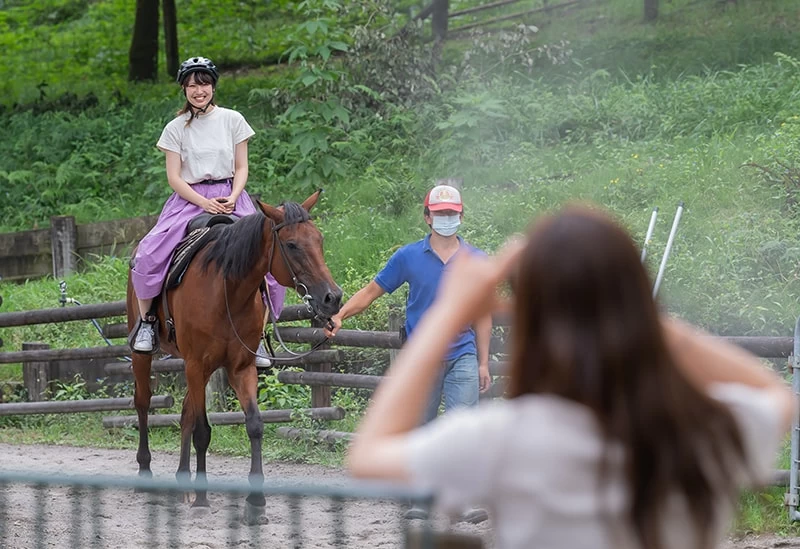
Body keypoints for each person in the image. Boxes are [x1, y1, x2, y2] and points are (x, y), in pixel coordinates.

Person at [347, 205, 795, 549]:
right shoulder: (701, 432)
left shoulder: (504, 441)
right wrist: (633, 315)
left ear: (532, 316)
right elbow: (778, 395)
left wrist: (450, 313)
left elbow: (366, 458)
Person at [325, 183, 492, 523]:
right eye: (440, 213)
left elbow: (483, 314)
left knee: (464, 429)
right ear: (427, 217)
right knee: (422, 429)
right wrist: (342, 314)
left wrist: (484, 361)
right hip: (422, 357)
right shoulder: (408, 257)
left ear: (461, 217)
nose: (447, 218)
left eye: (452, 214)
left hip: (463, 353)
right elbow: (373, 290)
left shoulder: (476, 259)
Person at [129, 56, 285, 365]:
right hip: (190, 199)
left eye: (203, 84)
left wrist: (234, 195)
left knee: (270, 254)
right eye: (191, 85)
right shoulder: (175, 129)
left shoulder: (232, 120)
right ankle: (147, 322)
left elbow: (242, 166)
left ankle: (259, 337)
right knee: (149, 252)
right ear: (184, 90)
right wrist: (204, 203)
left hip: (232, 194)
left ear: (212, 86)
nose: (198, 90)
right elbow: (174, 177)